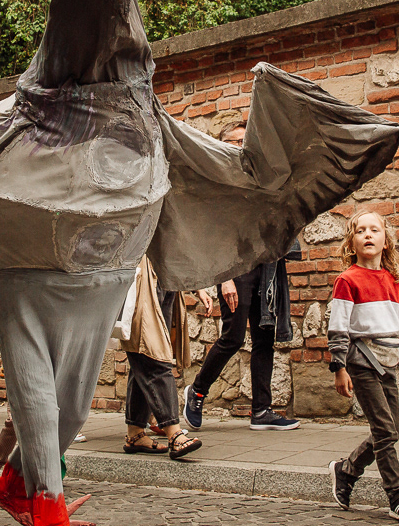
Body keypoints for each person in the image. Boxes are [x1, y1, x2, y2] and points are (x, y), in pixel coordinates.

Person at [183, 122, 301, 431]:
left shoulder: (263, 180)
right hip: (235, 269)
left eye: (242, 140)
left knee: (264, 338)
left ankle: (262, 411)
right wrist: (225, 278)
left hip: (267, 267)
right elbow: (216, 234)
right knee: (233, 337)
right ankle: (196, 391)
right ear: (222, 146)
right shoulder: (220, 182)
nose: (238, 145)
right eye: (231, 141)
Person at [326, 209, 399, 521]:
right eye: (360, 231)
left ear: (386, 241)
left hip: (389, 363)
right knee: (384, 429)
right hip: (361, 363)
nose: (368, 235)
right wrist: (339, 367)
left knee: (390, 432)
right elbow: (338, 328)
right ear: (352, 243)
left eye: (374, 230)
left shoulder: (393, 282)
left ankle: (346, 470)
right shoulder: (347, 280)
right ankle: (398, 496)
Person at [117, 258, 201, 460]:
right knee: (153, 352)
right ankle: (174, 432)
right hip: (142, 270)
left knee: (143, 352)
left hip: (165, 272)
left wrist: (197, 286)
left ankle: (135, 433)